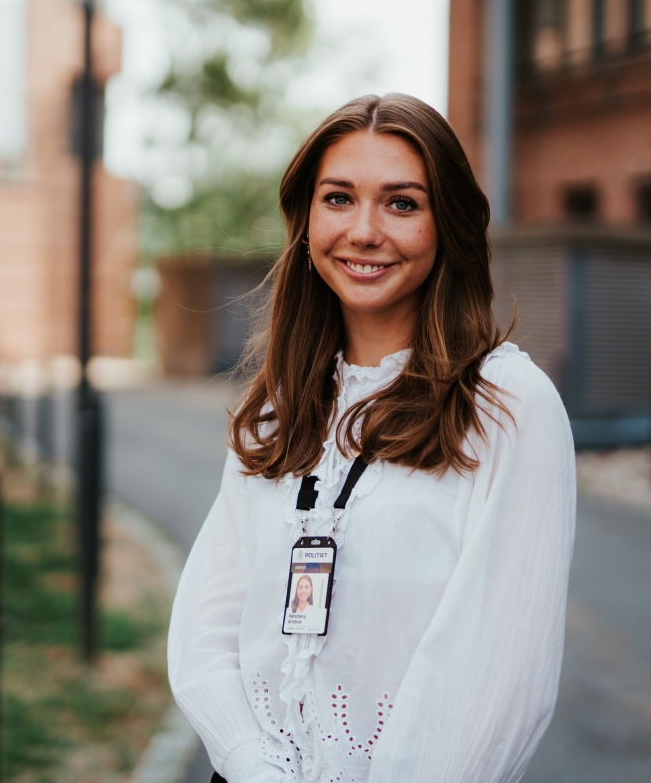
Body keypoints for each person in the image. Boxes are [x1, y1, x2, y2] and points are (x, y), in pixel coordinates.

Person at [167, 94, 576, 783]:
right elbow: (204, 632)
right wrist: (251, 765)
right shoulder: (278, 408)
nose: (363, 230)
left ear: (446, 223)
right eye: (338, 198)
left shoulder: (510, 406)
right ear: (305, 221)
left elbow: (500, 682)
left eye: (402, 203)